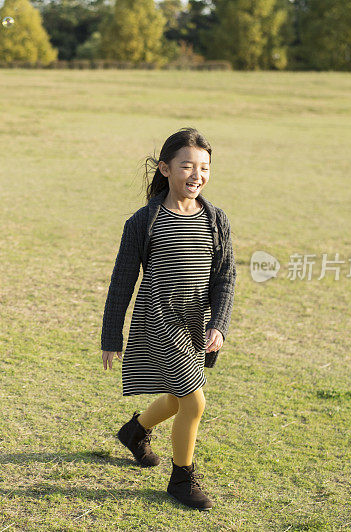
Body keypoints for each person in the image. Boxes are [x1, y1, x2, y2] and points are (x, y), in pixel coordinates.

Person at [100, 127, 236, 511]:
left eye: (204, 167)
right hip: (157, 321)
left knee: (178, 400)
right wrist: (112, 336)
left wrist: (219, 324)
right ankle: (181, 479)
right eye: (187, 166)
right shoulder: (143, 222)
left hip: (194, 323)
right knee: (194, 402)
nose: (197, 175)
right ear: (165, 168)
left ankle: (136, 431)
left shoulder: (217, 220)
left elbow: (225, 276)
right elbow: (122, 280)